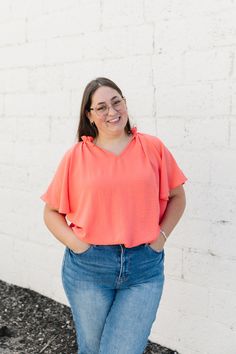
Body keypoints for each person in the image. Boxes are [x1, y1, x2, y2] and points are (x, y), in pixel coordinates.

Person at [41, 77, 187, 354]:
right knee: (93, 349)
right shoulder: (76, 156)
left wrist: (161, 238)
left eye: (116, 101)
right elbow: (50, 212)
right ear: (90, 116)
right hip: (89, 269)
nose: (112, 111)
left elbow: (178, 197)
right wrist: (79, 246)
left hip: (144, 268)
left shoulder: (152, 147)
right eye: (101, 107)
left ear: (125, 103)